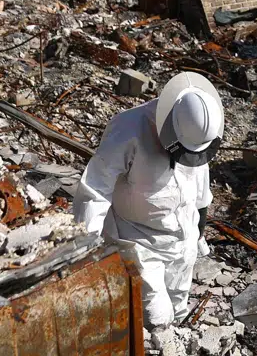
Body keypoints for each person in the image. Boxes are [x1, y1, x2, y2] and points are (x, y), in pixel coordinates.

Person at [74, 72, 224, 342]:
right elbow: (95, 189)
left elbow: (200, 186)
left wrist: (198, 233)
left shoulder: (199, 132)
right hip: (139, 240)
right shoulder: (128, 129)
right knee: (158, 321)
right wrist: (86, 251)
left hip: (183, 238)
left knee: (179, 311)